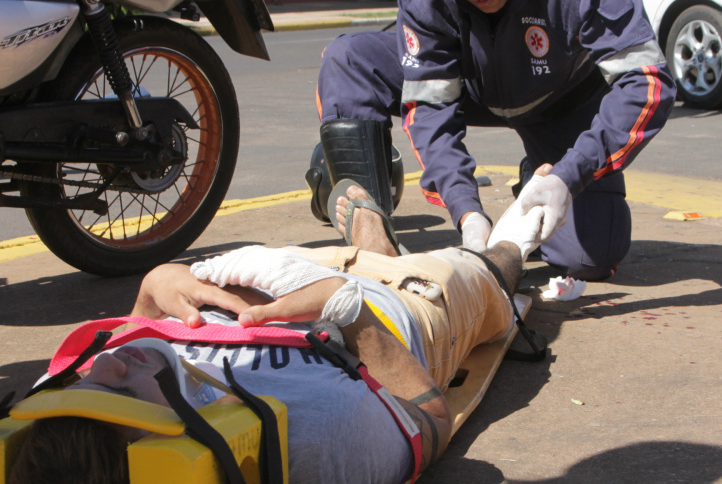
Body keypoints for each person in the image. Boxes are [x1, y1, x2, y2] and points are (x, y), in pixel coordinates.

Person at [8, 177, 544, 484]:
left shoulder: (62, 428)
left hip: (262, 269)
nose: (105, 361)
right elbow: (431, 420)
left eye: (79, 384)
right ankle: (510, 235)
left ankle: (370, 239)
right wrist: (348, 309)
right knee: (487, 268)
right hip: (401, 300)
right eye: (119, 393)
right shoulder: (315, 439)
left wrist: (152, 290)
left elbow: (127, 345)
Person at [313, 0, 676, 281]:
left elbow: (646, 84)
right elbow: (431, 110)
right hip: (473, 87)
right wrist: (466, 212)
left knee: (588, 259)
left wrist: (569, 175)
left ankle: (540, 172)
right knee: (348, 58)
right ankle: (370, 233)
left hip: (563, 102)